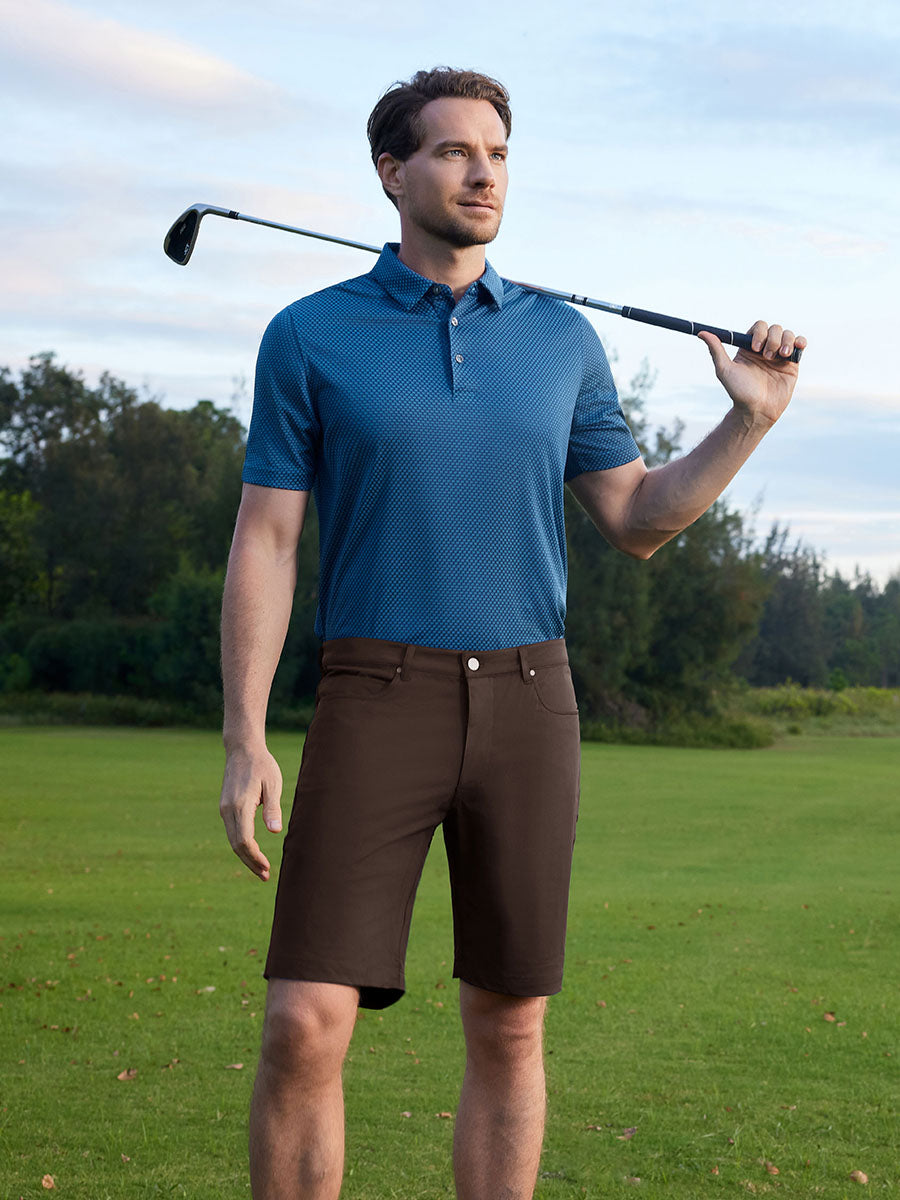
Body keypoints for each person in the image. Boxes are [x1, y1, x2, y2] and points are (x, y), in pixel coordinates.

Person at [218, 67, 805, 1200]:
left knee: (510, 1022)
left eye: (497, 154)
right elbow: (268, 539)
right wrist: (246, 734)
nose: (482, 173)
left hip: (531, 701)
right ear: (392, 173)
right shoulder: (310, 336)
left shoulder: (560, 341)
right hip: (375, 693)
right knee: (303, 1022)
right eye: (453, 151)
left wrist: (748, 420)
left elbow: (639, 519)